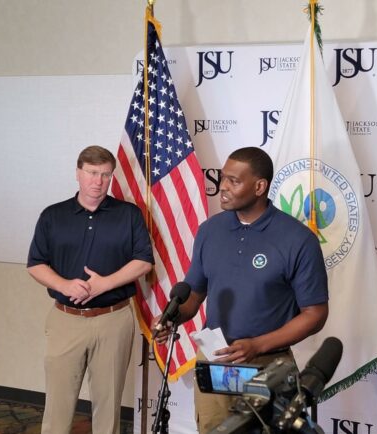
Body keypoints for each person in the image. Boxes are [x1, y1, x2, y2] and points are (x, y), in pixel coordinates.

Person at [153, 147, 329, 434]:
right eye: (223, 178)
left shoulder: (298, 240)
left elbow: (315, 314)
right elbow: (194, 294)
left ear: (260, 186)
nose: (222, 187)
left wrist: (258, 345)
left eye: (234, 181)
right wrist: (172, 317)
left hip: (269, 365)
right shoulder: (210, 231)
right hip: (216, 358)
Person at [27, 145, 153, 434]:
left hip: (113, 319)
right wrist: (64, 284)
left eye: (105, 175)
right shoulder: (52, 215)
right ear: (78, 173)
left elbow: (144, 261)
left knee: (108, 408)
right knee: (58, 406)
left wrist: (104, 284)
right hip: (65, 320)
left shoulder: (129, 214)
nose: (98, 181)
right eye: (92, 173)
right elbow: (35, 264)